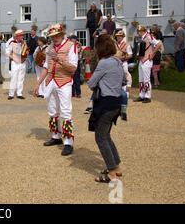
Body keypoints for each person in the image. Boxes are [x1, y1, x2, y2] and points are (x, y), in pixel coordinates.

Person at [34, 24, 78, 156]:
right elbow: (46, 67)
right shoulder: (50, 48)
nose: (54, 38)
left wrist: (58, 59)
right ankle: (55, 136)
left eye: (57, 36)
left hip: (64, 81)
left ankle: (68, 142)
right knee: (52, 110)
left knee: (65, 111)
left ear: (62, 34)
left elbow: (73, 69)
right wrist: (38, 83)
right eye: (52, 36)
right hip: (50, 81)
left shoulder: (71, 46)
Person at [87, 35, 125, 183]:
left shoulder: (103, 63)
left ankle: (112, 173)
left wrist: (102, 84)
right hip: (116, 103)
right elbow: (124, 80)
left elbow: (91, 83)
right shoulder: (117, 61)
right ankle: (116, 167)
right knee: (106, 136)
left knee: (100, 137)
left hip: (105, 103)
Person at [134, 26, 162, 103]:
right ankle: (141, 95)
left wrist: (153, 53)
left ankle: (147, 96)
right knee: (141, 79)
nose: (138, 32)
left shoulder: (149, 36)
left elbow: (159, 43)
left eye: (139, 31)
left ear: (143, 31)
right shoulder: (142, 38)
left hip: (147, 60)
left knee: (146, 79)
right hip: (141, 60)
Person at [115, 31, 133, 121]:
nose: (118, 38)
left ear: (123, 37)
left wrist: (123, 58)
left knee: (125, 76)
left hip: (123, 62)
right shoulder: (114, 44)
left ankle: (125, 93)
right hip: (116, 62)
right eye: (117, 36)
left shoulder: (127, 44)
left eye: (120, 36)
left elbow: (130, 55)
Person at [7, 30, 29, 100]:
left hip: (22, 63)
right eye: (21, 35)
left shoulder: (24, 43)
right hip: (15, 63)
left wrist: (26, 54)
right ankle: (11, 94)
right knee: (14, 78)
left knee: (21, 78)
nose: (22, 37)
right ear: (17, 36)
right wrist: (13, 59)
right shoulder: (12, 43)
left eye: (22, 35)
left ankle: (19, 93)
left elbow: (26, 51)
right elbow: (8, 52)